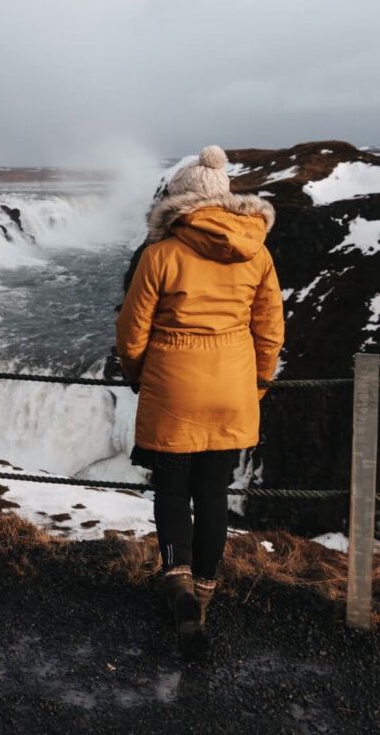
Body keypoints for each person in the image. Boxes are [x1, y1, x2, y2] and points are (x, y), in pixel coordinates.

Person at [114, 145, 284, 653]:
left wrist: (140, 376)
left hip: (173, 386)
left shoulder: (160, 253)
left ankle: (179, 583)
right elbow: (270, 330)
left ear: (181, 201)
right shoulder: (259, 250)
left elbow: (131, 331)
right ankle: (206, 591)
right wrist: (256, 384)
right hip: (233, 388)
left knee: (170, 492)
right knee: (213, 493)